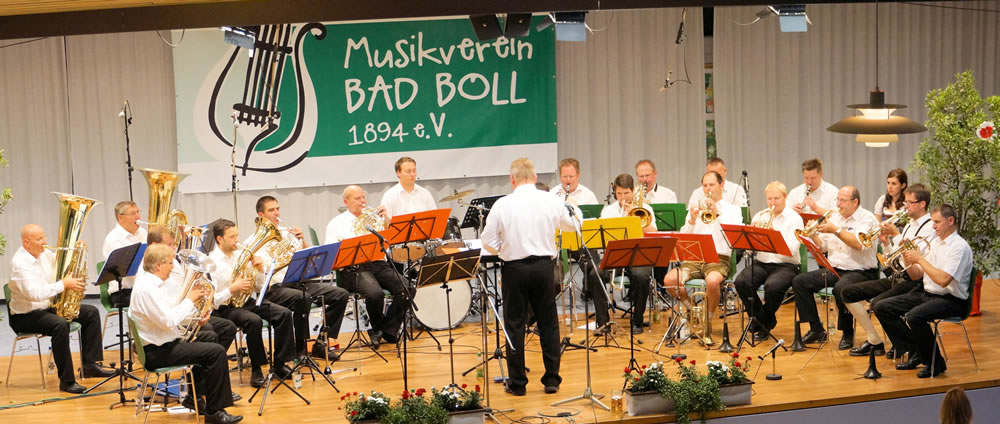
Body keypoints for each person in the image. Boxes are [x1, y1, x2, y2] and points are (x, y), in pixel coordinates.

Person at [482, 158, 577, 396]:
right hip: (543, 267)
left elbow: (488, 241)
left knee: (515, 324)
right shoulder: (550, 200)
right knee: (548, 323)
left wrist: (502, 249)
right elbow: (572, 225)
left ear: (512, 180)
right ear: (535, 178)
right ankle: (552, 380)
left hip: (514, 269)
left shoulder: (502, 204)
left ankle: (518, 384)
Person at [129, 244, 242, 424]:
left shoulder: (152, 285)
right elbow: (169, 321)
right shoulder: (147, 290)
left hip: (163, 342)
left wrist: (196, 317)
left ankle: (195, 397)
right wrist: (190, 300)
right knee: (216, 352)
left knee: (210, 337)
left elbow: (170, 310)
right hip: (157, 352)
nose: (172, 267)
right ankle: (214, 412)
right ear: (158, 265)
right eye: (169, 263)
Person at [9, 224, 115, 393]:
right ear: (27, 243)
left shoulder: (44, 254)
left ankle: (89, 365)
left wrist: (76, 252)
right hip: (25, 316)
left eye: (44, 237)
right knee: (59, 325)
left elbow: (61, 262)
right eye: (40, 239)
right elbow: (35, 294)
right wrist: (64, 284)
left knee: (90, 312)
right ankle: (66, 381)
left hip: (47, 308)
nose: (45, 241)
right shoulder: (19, 264)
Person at [874, 204, 973, 378]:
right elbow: (916, 276)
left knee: (915, 316)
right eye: (933, 222)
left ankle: (935, 363)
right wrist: (908, 257)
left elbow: (943, 280)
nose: (933, 226)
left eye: (937, 222)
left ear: (950, 221)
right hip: (928, 293)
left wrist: (919, 259)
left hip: (952, 300)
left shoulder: (959, 247)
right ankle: (916, 351)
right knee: (881, 307)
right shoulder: (935, 243)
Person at [841, 184, 934, 358]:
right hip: (900, 276)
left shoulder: (929, 227)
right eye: (905, 202)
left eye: (910, 202)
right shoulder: (910, 225)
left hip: (915, 280)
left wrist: (896, 234)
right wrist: (885, 243)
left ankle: (910, 347)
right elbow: (898, 259)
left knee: (879, 304)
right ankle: (875, 340)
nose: (905, 206)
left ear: (922, 204)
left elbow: (913, 259)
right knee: (848, 292)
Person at [254, 195, 349, 358]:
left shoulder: (286, 233)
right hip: (275, 288)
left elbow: (308, 260)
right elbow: (260, 277)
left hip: (296, 282)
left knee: (340, 295)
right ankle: (300, 349)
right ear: (261, 215)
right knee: (303, 298)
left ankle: (321, 342)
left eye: (278, 209)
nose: (277, 213)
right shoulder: (254, 241)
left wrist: (302, 241)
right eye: (271, 210)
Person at [208, 219, 296, 388]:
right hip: (226, 308)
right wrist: (232, 289)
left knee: (283, 314)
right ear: (220, 239)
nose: (237, 240)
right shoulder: (212, 263)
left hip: (246, 301)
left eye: (237, 235)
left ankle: (280, 364)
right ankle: (257, 370)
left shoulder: (240, 255)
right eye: (232, 237)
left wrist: (261, 270)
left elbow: (260, 287)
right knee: (253, 321)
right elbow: (212, 300)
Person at [791, 186, 879, 350]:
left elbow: (858, 244)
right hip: (836, 269)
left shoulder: (867, 218)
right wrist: (813, 235)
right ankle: (816, 329)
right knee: (800, 281)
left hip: (861, 271)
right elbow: (823, 246)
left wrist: (836, 230)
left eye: (843, 200)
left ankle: (847, 333)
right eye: (837, 199)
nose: (838, 204)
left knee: (841, 288)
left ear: (855, 202)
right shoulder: (835, 217)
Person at [664, 171, 743, 345]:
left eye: (711, 185)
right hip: (695, 258)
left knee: (713, 282)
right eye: (705, 185)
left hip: (718, 258)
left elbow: (734, 236)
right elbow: (684, 236)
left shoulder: (732, 210)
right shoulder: (696, 207)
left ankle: (707, 321)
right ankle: (692, 311)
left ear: (721, 185)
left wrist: (718, 213)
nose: (708, 189)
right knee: (670, 280)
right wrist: (691, 221)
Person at [325, 185, 410, 345]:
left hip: (377, 264)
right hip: (354, 268)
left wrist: (386, 221)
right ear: (346, 201)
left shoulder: (375, 219)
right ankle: (378, 329)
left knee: (407, 288)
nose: (362, 201)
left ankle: (387, 330)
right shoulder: (336, 223)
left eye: (363, 197)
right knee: (375, 293)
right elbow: (331, 252)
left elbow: (389, 242)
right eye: (357, 198)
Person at [144, 225, 238, 358]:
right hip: (165, 337)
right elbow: (170, 314)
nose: (175, 249)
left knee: (226, 328)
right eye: (170, 245)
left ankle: (209, 364)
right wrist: (191, 305)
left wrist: (197, 312)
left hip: (180, 316)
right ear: (154, 246)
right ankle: (210, 362)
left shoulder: (172, 263)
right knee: (210, 335)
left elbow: (180, 294)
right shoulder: (151, 279)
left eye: (174, 244)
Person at [733, 182, 803, 342]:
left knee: (773, 287)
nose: (773, 202)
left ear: (785, 197)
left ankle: (761, 323)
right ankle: (764, 321)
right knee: (741, 282)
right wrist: (750, 237)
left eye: (776, 198)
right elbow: (750, 252)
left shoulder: (795, 219)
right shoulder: (760, 216)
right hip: (762, 262)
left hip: (786, 264)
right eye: (769, 199)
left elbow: (792, 250)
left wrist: (774, 236)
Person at [590, 174, 656, 335]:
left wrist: (634, 219)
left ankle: (637, 321)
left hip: (639, 255)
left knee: (641, 276)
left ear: (633, 191)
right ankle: (603, 323)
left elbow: (653, 232)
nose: (623, 197)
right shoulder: (609, 210)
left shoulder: (645, 209)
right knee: (595, 273)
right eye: (619, 193)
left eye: (626, 193)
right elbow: (604, 238)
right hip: (617, 254)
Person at [102, 200, 149, 306]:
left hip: (141, 288)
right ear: (120, 217)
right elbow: (128, 269)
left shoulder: (142, 232)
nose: (138, 217)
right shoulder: (114, 239)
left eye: (138, 212)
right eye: (133, 213)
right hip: (123, 292)